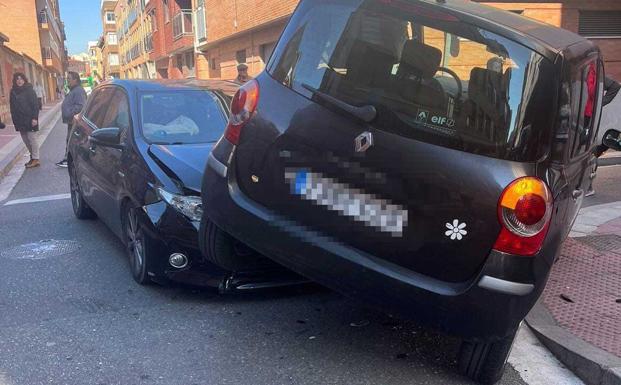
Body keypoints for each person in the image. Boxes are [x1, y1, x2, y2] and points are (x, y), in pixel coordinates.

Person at [9, 73, 41, 168]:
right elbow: (12, 107)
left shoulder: (29, 90)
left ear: (24, 80)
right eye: (17, 79)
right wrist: (14, 120)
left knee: (32, 139)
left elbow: (35, 105)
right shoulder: (13, 92)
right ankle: (33, 157)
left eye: (21, 79)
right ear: (15, 81)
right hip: (19, 120)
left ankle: (36, 158)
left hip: (30, 118)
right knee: (26, 140)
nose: (19, 81)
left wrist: (35, 118)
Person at [56, 72, 87, 168]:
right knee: (70, 140)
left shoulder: (78, 91)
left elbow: (81, 106)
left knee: (71, 140)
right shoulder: (74, 90)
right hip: (71, 121)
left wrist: (69, 113)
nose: (67, 81)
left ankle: (69, 160)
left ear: (75, 80)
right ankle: (69, 159)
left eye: (69, 79)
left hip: (75, 121)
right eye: (67, 79)